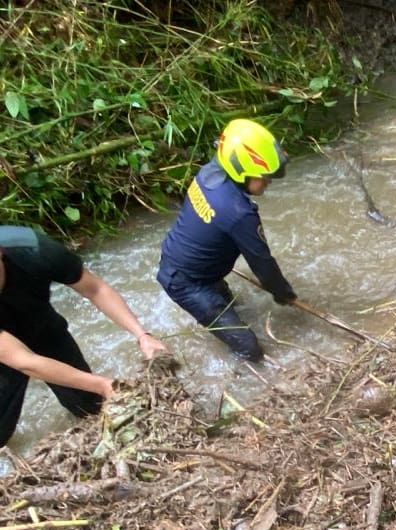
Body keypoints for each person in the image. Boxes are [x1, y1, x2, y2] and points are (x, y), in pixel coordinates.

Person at [0, 225, 169, 448]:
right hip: (7, 354)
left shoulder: (33, 250)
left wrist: (142, 335)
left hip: (41, 328)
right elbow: (24, 361)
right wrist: (104, 384)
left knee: (90, 406)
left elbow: (95, 289)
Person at [156, 118, 298, 362]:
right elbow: (262, 263)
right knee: (250, 348)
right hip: (188, 284)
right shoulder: (239, 213)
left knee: (233, 304)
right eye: (263, 176)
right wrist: (284, 294)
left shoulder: (210, 173)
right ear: (240, 171)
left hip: (183, 262)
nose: (269, 181)